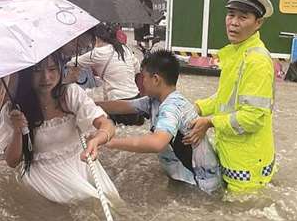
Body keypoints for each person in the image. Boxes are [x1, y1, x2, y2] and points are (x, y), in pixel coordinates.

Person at [83, 50, 222, 194]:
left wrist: (109, 142)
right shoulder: (155, 100)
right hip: (184, 177)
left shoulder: (172, 107)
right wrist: (83, 104)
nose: (140, 82)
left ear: (156, 79)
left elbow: (157, 143)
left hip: (200, 186)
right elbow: (122, 106)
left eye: (143, 77)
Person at [0, 50, 120, 204]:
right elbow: (12, 162)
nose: (46, 77)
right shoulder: (14, 110)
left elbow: (107, 125)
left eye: (52, 69)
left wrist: (97, 140)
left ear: (60, 69)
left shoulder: (70, 94)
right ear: (26, 75)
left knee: (112, 203)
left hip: (83, 166)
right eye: (37, 71)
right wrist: (19, 131)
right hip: (45, 178)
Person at [184, 0, 276, 194]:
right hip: (232, 155)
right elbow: (226, 99)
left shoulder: (256, 61)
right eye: (231, 15)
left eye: (242, 17)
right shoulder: (236, 53)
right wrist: (197, 107)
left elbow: (252, 118)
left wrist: (209, 122)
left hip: (247, 169)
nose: (233, 23)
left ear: (258, 23)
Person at [67, 23, 144, 126]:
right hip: (135, 101)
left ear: (96, 38)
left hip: (117, 104)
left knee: (89, 110)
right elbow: (137, 68)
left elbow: (71, 63)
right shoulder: (124, 49)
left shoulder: (98, 53)